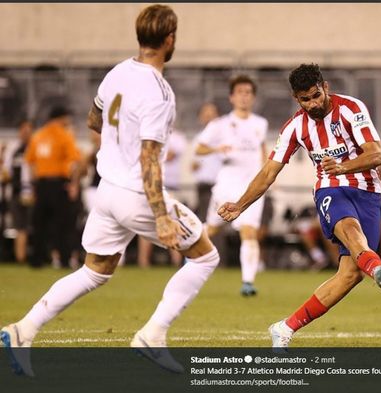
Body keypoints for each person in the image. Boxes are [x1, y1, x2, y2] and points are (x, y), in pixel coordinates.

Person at [1, 4, 220, 376]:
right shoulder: (160, 93)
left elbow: (93, 119)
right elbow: (150, 159)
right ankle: (153, 334)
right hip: (136, 194)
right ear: (170, 39)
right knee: (204, 256)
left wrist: (114, 150)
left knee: (96, 270)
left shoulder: (117, 72)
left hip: (107, 191)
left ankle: (23, 330)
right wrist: (162, 216)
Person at [217, 63, 381, 351]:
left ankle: (285, 327)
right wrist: (240, 205)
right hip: (330, 189)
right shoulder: (295, 126)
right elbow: (269, 172)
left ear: (325, 87)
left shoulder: (350, 109)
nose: (313, 104)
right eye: (305, 100)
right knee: (351, 231)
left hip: (368, 193)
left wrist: (342, 165)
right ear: (297, 99)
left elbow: (376, 154)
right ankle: (378, 268)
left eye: (316, 96)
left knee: (350, 274)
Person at [195, 75, 268, 296]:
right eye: (240, 92)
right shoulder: (220, 124)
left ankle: (248, 282)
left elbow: (262, 150)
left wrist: (267, 176)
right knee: (212, 228)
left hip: (251, 187)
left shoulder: (260, 123)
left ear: (253, 97)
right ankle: (189, 258)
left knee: (249, 231)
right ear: (232, 97)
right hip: (226, 185)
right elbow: (199, 148)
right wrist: (217, 149)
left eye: (248, 92)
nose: (244, 96)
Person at [24, 106, 82, 268]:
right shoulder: (65, 135)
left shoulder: (38, 136)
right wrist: (74, 184)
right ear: (61, 118)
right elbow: (75, 162)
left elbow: (30, 163)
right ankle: (64, 259)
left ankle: (36, 259)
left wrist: (35, 184)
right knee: (62, 224)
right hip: (59, 184)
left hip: (42, 184)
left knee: (39, 223)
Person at [137, 128, 187, 268]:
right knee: (146, 222)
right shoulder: (147, 133)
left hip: (170, 186)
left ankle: (176, 261)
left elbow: (166, 155)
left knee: (173, 221)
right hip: (150, 187)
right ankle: (143, 262)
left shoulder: (178, 138)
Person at [1, 119, 33, 263]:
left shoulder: (34, 147)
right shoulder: (13, 149)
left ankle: (29, 255)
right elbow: (7, 172)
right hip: (15, 192)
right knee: (19, 225)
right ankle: (19, 257)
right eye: (23, 129)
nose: (26, 133)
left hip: (32, 192)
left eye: (28, 129)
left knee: (29, 226)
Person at [192, 102, 221, 221]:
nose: (209, 117)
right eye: (206, 114)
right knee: (206, 221)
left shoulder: (224, 136)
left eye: (212, 114)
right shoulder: (198, 138)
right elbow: (194, 165)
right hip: (204, 186)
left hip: (221, 185)